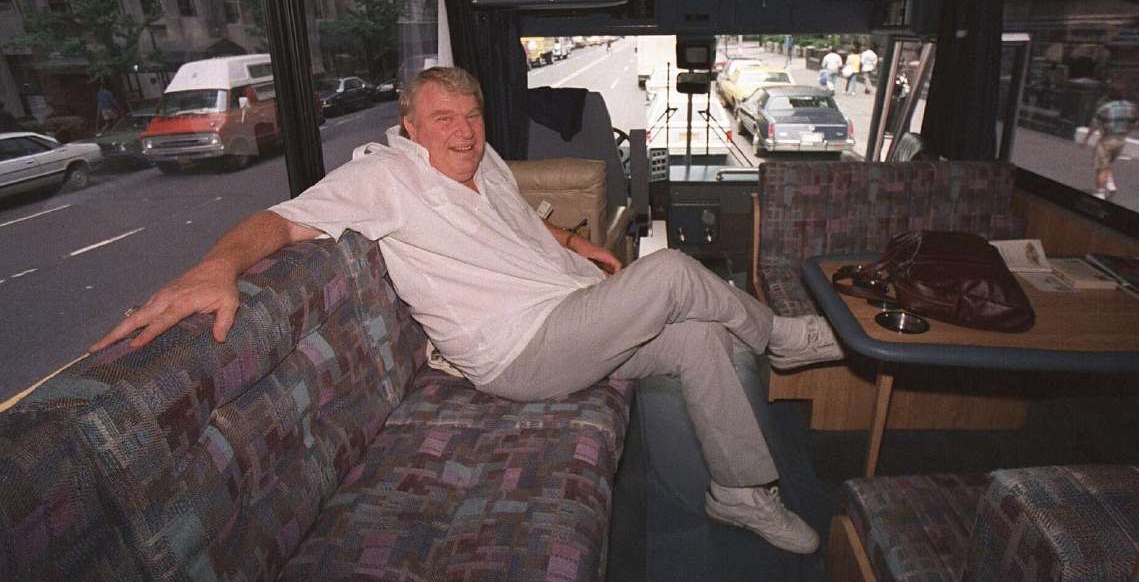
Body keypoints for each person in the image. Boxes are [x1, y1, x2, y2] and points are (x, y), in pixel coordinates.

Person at [91, 66, 841, 554]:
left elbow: (513, 219)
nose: (464, 129)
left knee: (699, 341)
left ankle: (743, 491)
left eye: (473, 113)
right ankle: (779, 338)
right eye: (443, 117)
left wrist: (571, 241)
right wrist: (217, 266)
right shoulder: (386, 179)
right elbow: (282, 222)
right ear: (411, 127)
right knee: (674, 270)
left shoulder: (483, 162)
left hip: (570, 315)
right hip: (519, 353)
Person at [1082, 84, 1139, 200]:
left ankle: (1100, 193)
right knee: (1107, 163)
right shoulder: (1131, 107)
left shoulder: (1105, 108)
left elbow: (1094, 125)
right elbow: (1136, 124)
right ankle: (1110, 183)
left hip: (1107, 140)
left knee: (1100, 167)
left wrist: (1086, 139)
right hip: (1121, 140)